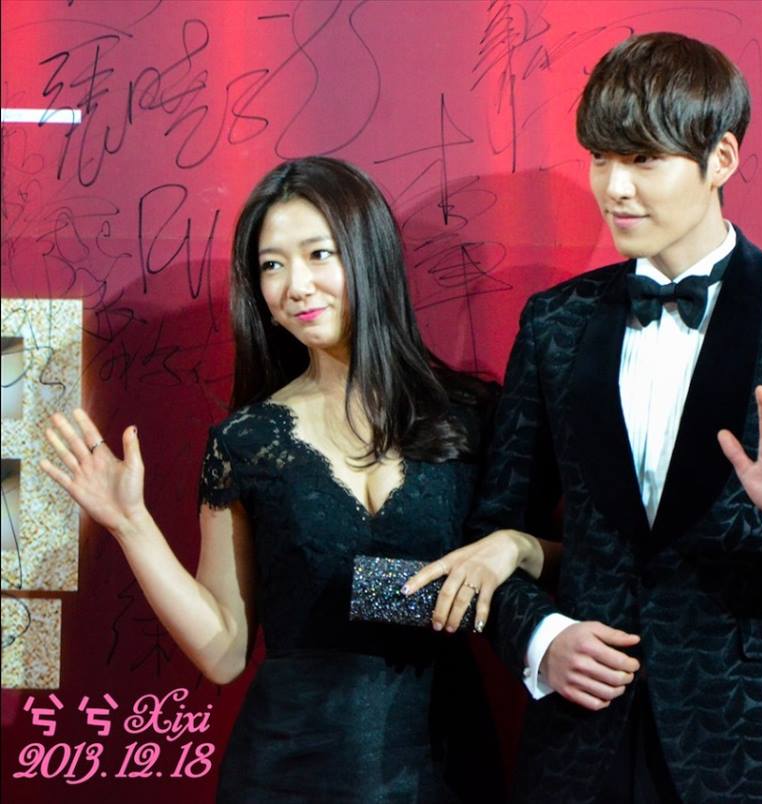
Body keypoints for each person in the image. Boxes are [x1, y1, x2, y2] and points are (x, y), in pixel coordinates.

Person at [470, 32, 762, 803]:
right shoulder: (555, 322)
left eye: (643, 159)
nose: (615, 188)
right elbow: (494, 529)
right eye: (600, 159)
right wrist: (542, 637)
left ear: (720, 158)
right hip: (584, 749)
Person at [39, 156, 552, 803]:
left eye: (317, 254)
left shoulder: (473, 415)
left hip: (445, 761)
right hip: (288, 771)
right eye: (272, 266)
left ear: (368, 254)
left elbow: (572, 564)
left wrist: (511, 547)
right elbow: (224, 651)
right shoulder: (247, 442)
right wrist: (131, 525)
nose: (296, 286)